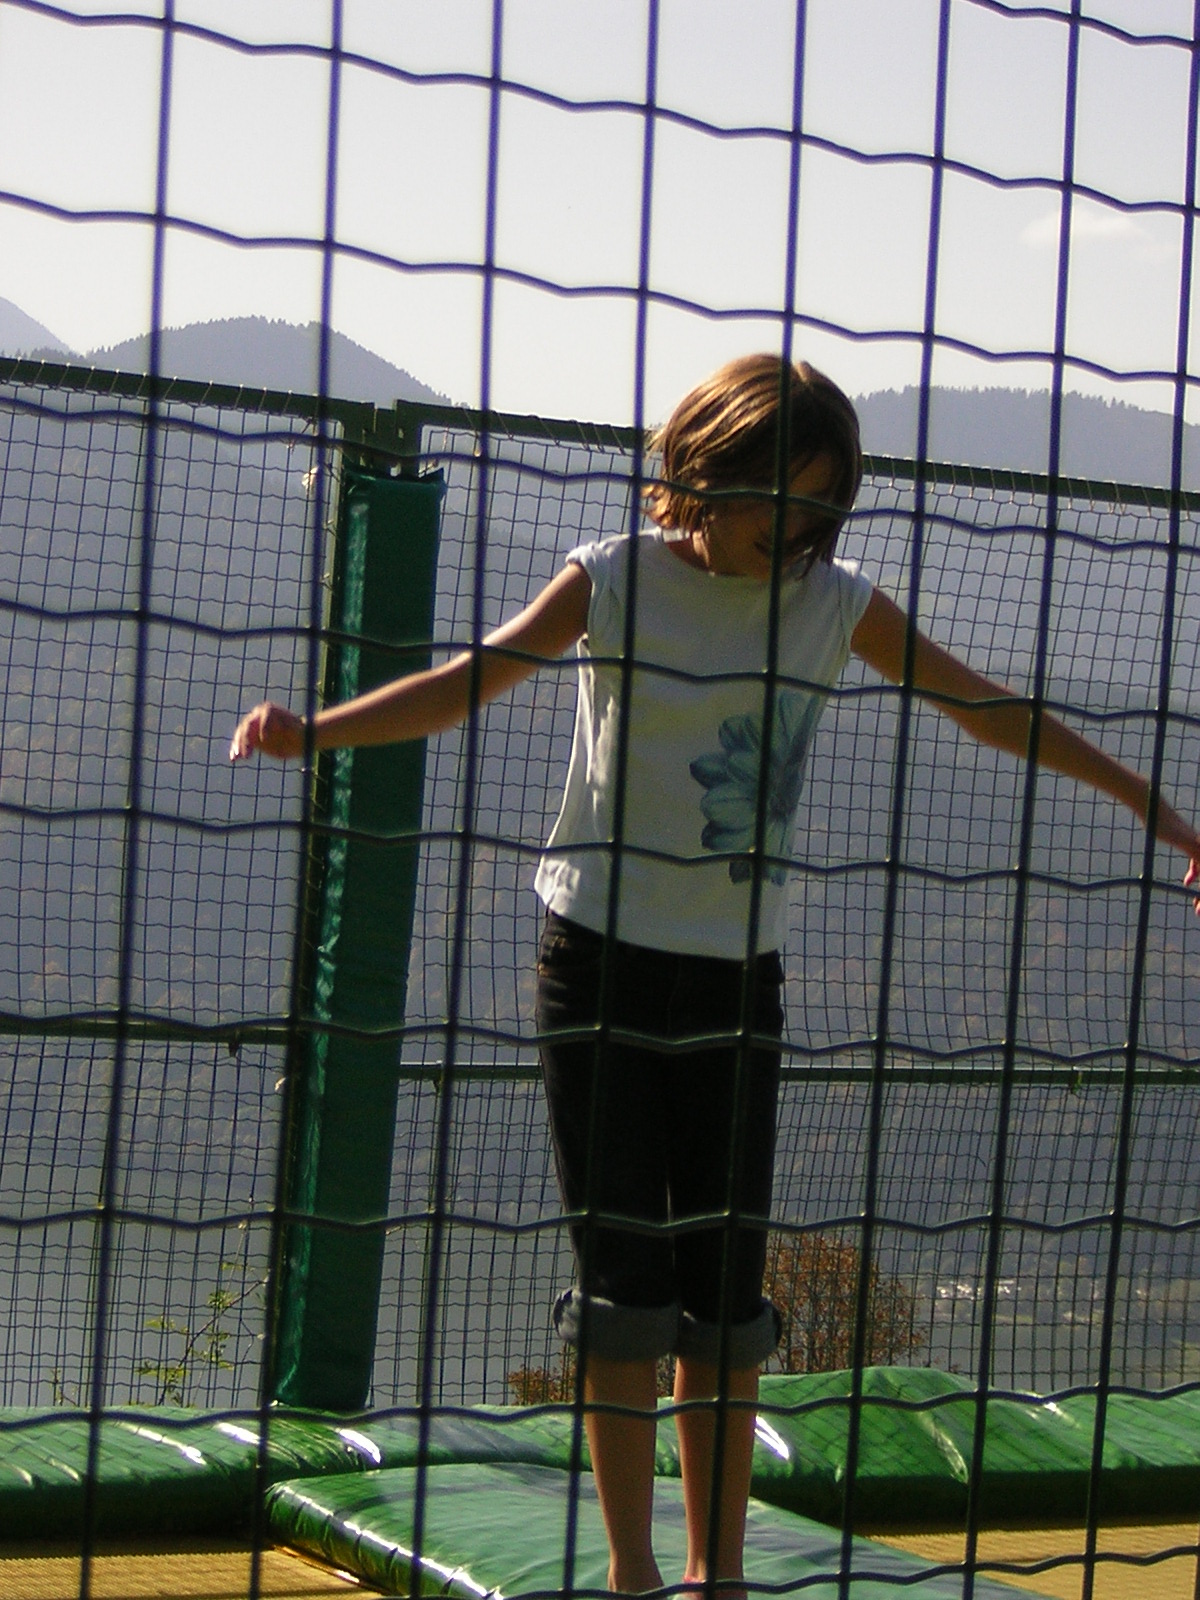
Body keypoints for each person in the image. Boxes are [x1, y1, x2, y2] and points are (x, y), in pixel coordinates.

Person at [230, 353, 1200, 1598]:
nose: (788, 532)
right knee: (624, 1294)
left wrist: (1153, 806)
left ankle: (717, 1576)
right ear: (703, 471)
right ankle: (635, 1574)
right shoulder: (613, 578)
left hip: (738, 988)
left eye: (815, 509)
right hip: (596, 970)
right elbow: (471, 680)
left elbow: (989, 708)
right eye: (770, 501)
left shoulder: (835, 604)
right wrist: (317, 730)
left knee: (726, 1304)